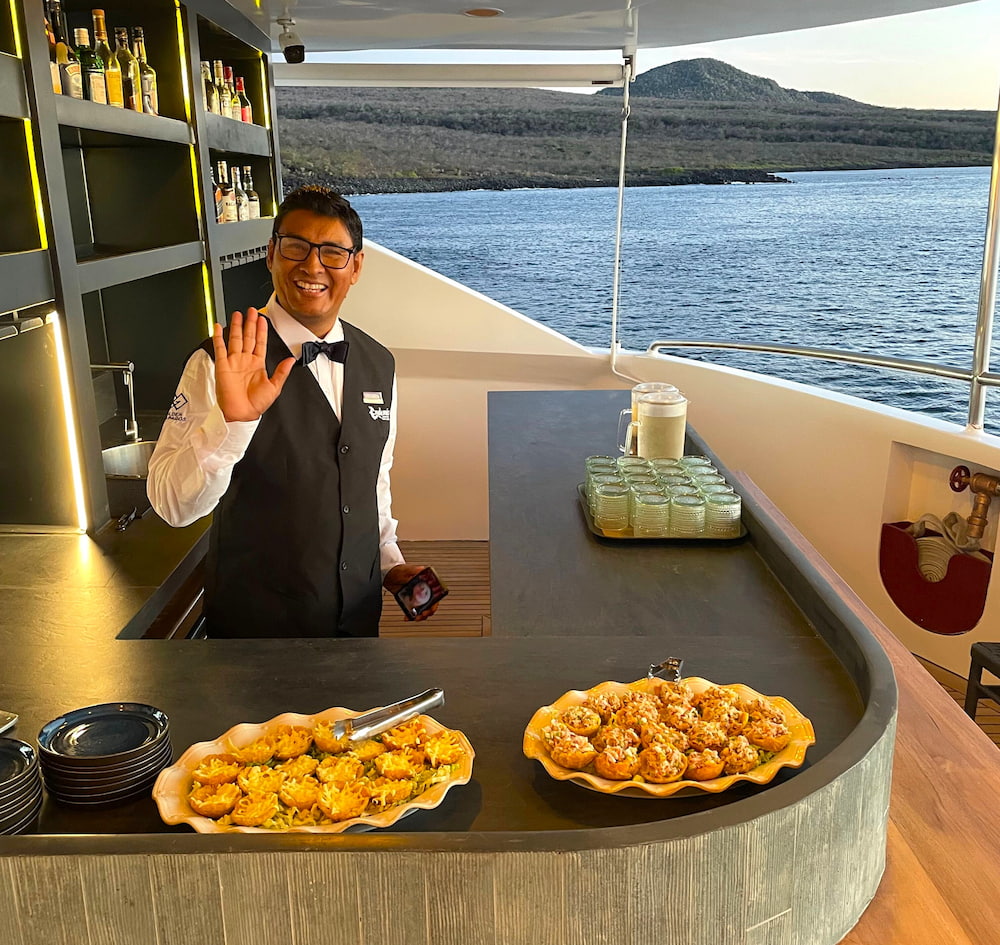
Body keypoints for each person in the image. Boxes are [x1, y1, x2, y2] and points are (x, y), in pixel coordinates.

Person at [147, 186, 438, 638]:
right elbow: (171, 505)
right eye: (296, 246)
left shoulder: (379, 362)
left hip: (357, 626)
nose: (313, 266)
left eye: (333, 252)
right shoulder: (218, 361)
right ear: (271, 254)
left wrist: (390, 564)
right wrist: (232, 424)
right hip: (256, 635)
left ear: (356, 267)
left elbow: (372, 482)